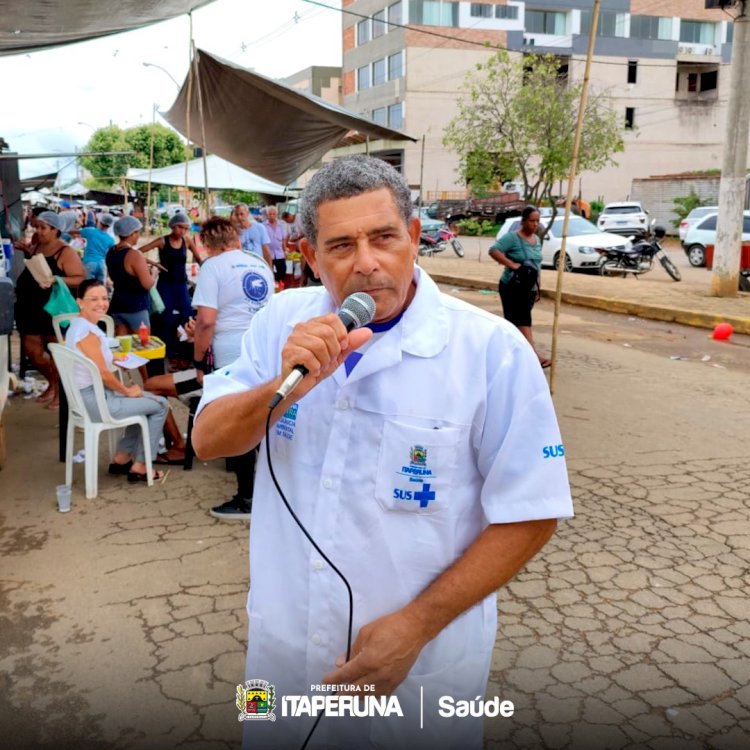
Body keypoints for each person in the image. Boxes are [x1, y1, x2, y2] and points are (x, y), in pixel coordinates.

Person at [192, 156, 573, 749]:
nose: (366, 262)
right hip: (283, 651)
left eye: (384, 238)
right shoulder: (280, 324)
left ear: (414, 238)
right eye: (341, 245)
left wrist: (417, 626)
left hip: (416, 668)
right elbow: (209, 438)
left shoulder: (490, 351)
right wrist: (284, 387)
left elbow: (532, 510)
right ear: (311, 257)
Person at [145, 216, 274, 515]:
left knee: (238, 419)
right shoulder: (260, 265)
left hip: (229, 353)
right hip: (263, 348)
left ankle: (247, 499)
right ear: (237, 239)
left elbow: (206, 321)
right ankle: (264, 493)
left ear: (206, 245)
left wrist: (198, 362)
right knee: (260, 416)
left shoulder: (213, 267)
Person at [65, 278, 168, 483]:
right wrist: (126, 391)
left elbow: (94, 361)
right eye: (93, 299)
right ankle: (140, 466)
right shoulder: (87, 332)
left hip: (89, 397)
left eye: (104, 298)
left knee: (143, 402)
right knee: (160, 405)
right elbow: (103, 374)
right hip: (96, 401)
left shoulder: (78, 325)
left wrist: (114, 358)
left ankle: (121, 459)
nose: (101, 303)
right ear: (80, 302)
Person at [14, 210, 86, 410]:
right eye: (36, 226)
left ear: (56, 230)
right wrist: (28, 252)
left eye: (43, 228)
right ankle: (53, 383)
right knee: (33, 351)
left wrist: (57, 279)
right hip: (30, 308)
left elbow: (80, 278)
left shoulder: (65, 252)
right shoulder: (37, 246)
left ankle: (62, 392)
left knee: (57, 352)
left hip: (52, 309)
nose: (38, 231)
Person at [489, 205, 550, 368]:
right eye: (532, 221)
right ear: (523, 221)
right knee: (523, 320)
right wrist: (512, 264)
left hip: (529, 288)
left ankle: (510, 355)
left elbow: (537, 265)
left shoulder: (537, 240)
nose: (535, 224)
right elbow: (494, 250)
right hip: (512, 287)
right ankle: (534, 355)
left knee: (514, 323)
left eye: (537, 221)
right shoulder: (512, 238)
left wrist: (538, 287)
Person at [138, 213, 201, 357]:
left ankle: (186, 350)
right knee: (165, 318)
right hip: (165, 285)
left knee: (188, 316)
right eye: (180, 228)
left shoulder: (187, 241)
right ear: (173, 226)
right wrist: (153, 264)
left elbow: (199, 259)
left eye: (186, 228)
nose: (183, 231)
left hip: (181, 285)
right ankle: (168, 350)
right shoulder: (162, 241)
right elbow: (138, 252)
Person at [106, 216, 157, 337]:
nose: (138, 235)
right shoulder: (134, 254)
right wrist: (154, 272)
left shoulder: (111, 251)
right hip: (135, 307)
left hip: (117, 305)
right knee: (143, 346)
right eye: (137, 232)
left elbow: (116, 275)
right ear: (132, 234)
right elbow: (148, 284)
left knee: (123, 348)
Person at [231, 202, 273, 268]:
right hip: (243, 266)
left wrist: (270, 270)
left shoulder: (259, 227)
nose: (239, 217)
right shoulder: (234, 231)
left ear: (247, 214)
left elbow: (266, 251)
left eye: (242, 214)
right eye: (237, 215)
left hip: (259, 265)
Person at [80, 214, 116, 282]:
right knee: (100, 287)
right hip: (102, 264)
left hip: (89, 262)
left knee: (88, 286)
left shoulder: (90, 231)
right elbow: (111, 254)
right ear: (109, 226)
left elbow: (76, 232)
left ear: (100, 222)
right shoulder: (110, 239)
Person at [262, 205, 288, 284]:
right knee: (269, 272)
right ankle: (272, 285)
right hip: (268, 254)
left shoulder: (281, 224)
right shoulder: (263, 226)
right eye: (270, 214)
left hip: (279, 253)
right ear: (267, 215)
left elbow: (283, 239)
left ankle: (280, 285)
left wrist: (285, 250)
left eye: (273, 214)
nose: (272, 216)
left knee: (282, 270)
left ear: (276, 215)